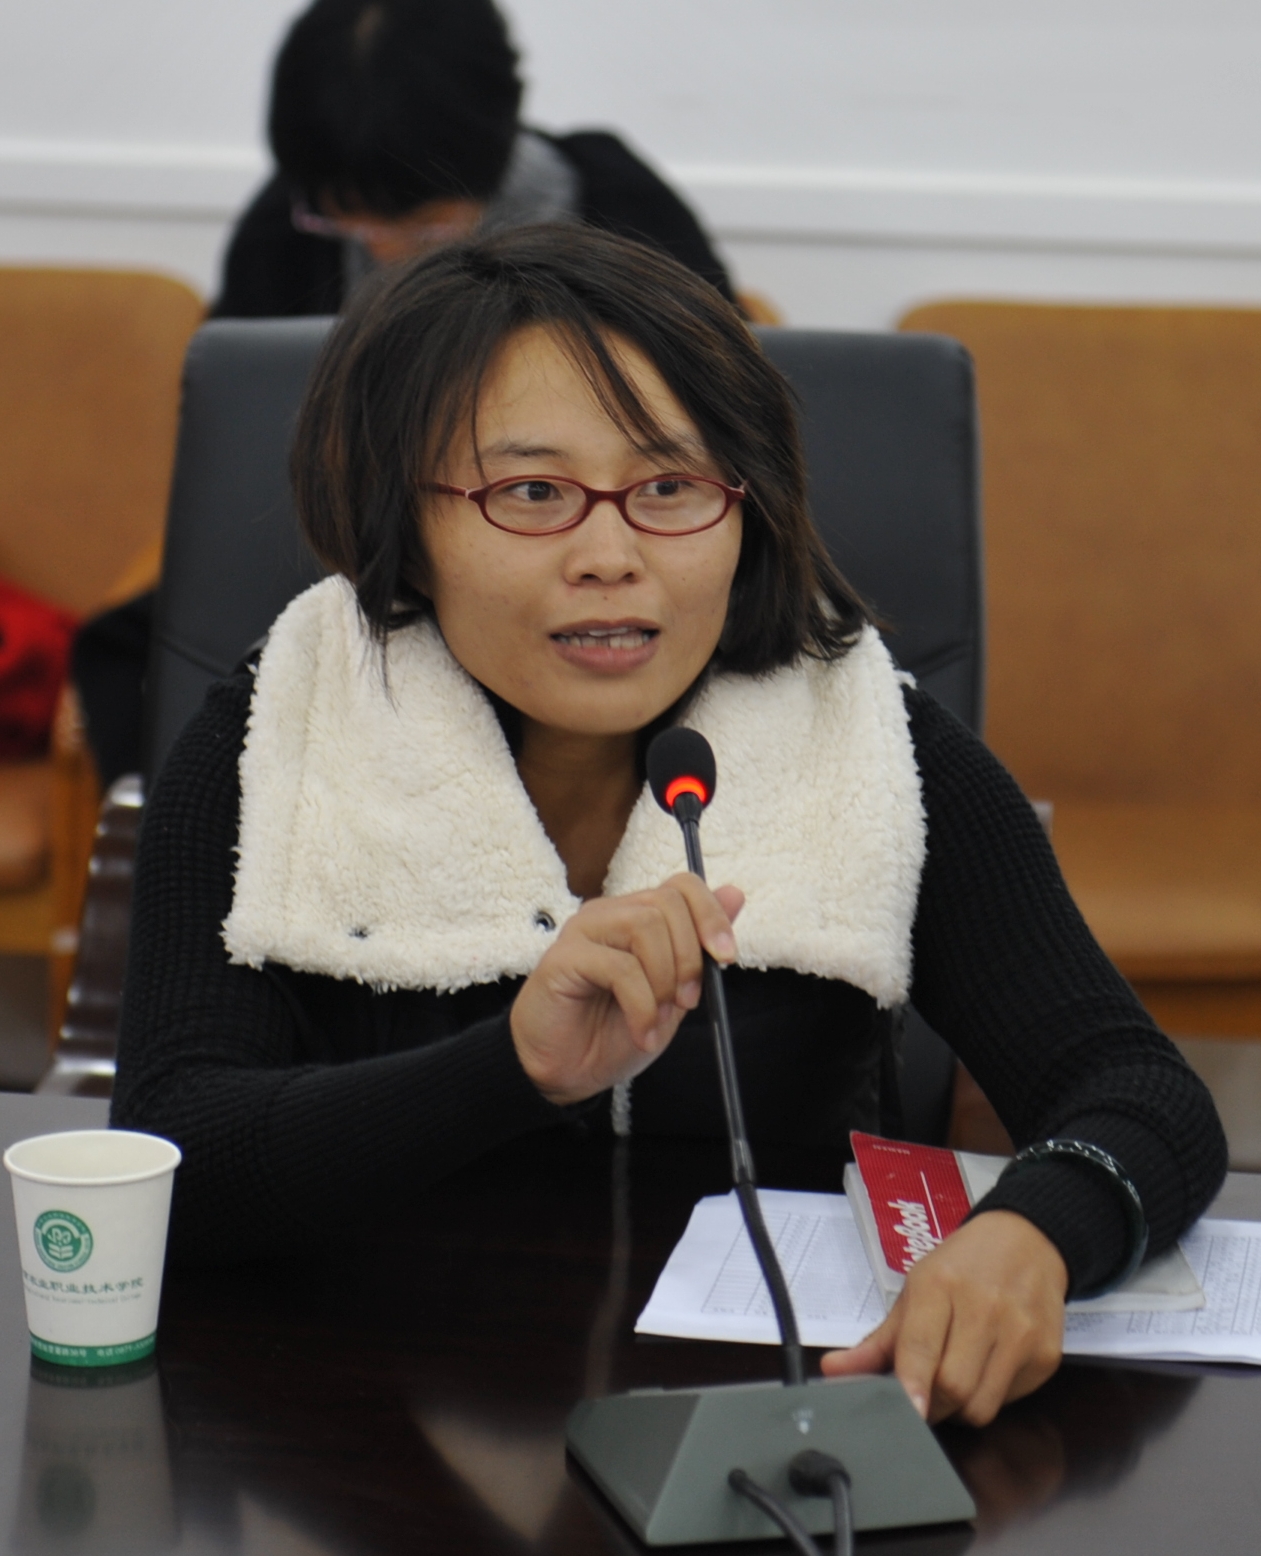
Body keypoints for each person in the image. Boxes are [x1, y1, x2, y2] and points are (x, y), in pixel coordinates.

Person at [111, 224, 1226, 1428]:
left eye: (669, 488)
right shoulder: (277, 735)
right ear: (403, 521)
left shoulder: (863, 739)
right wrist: (511, 1065)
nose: (611, 556)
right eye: (531, 492)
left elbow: (1137, 1092)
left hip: (776, 1424)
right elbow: (172, 1160)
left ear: (746, 507)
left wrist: (1037, 1231)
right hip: (349, 1421)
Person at [213, 0, 734, 318]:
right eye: (345, 220)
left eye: (424, 226)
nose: (385, 250)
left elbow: (727, 407)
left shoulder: (627, 213)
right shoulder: (281, 232)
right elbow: (239, 410)